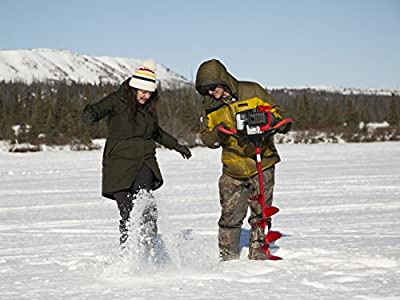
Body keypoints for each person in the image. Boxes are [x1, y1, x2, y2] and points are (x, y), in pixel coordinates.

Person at [81, 60, 192, 252]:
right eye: (142, 91)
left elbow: (156, 132)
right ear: (134, 87)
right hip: (118, 163)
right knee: (127, 211)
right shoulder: (117, 100)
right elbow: (96, 110)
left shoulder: (149, 109)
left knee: (145, 205)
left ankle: (149, 248)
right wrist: (89, 114)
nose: (146, 95)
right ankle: (129, 253)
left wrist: (176, 145)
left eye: (149, 92)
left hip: (144, 161)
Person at [195, 59, 290, 261]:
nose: (210, 93)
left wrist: (272, 122)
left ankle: (259, 253)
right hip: (233, 167)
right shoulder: (209, 107)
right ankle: (227, 257)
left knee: (261, 212)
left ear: (223, 80)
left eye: (212, 87)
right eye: (206, 90)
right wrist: (220, 133)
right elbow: (207, 137)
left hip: (262, 161)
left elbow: (278, 113)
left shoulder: (252, 91)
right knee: (229, 216)